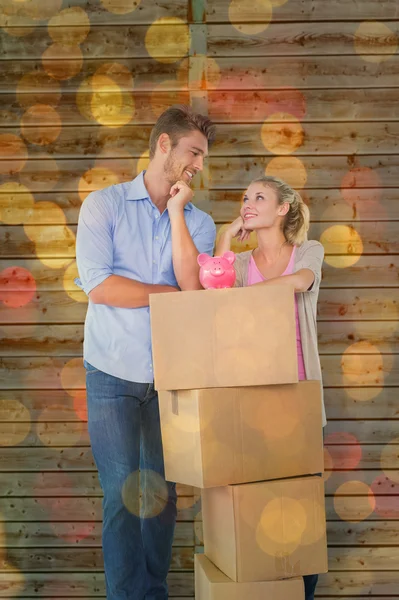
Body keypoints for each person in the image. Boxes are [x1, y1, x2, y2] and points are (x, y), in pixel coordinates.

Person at [75, 105, 217, 600]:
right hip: (111, 370)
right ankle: (125, 596)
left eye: (202, 155)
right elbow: (99, 286)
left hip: (169, 375)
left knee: (161, 493)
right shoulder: (104, 205)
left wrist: (177, 212)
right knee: (120, 493)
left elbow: (190, 283)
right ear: (164, 145)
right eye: (193, 152)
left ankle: (152, 591)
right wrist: (173, 297)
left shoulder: (198, 222)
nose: (199, 163)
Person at [216, 175, 326, 600]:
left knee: (301, 506)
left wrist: (247, 298)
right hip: (255, 402)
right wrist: (226, 238)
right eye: (244, 197)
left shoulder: (309, 252)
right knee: (259, 509)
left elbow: (300, 282)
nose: (248, 202)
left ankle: (302, 592)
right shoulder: (241, 264)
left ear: (282, 209)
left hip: (299, 397)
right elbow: (216, 293)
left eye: (258, 197)